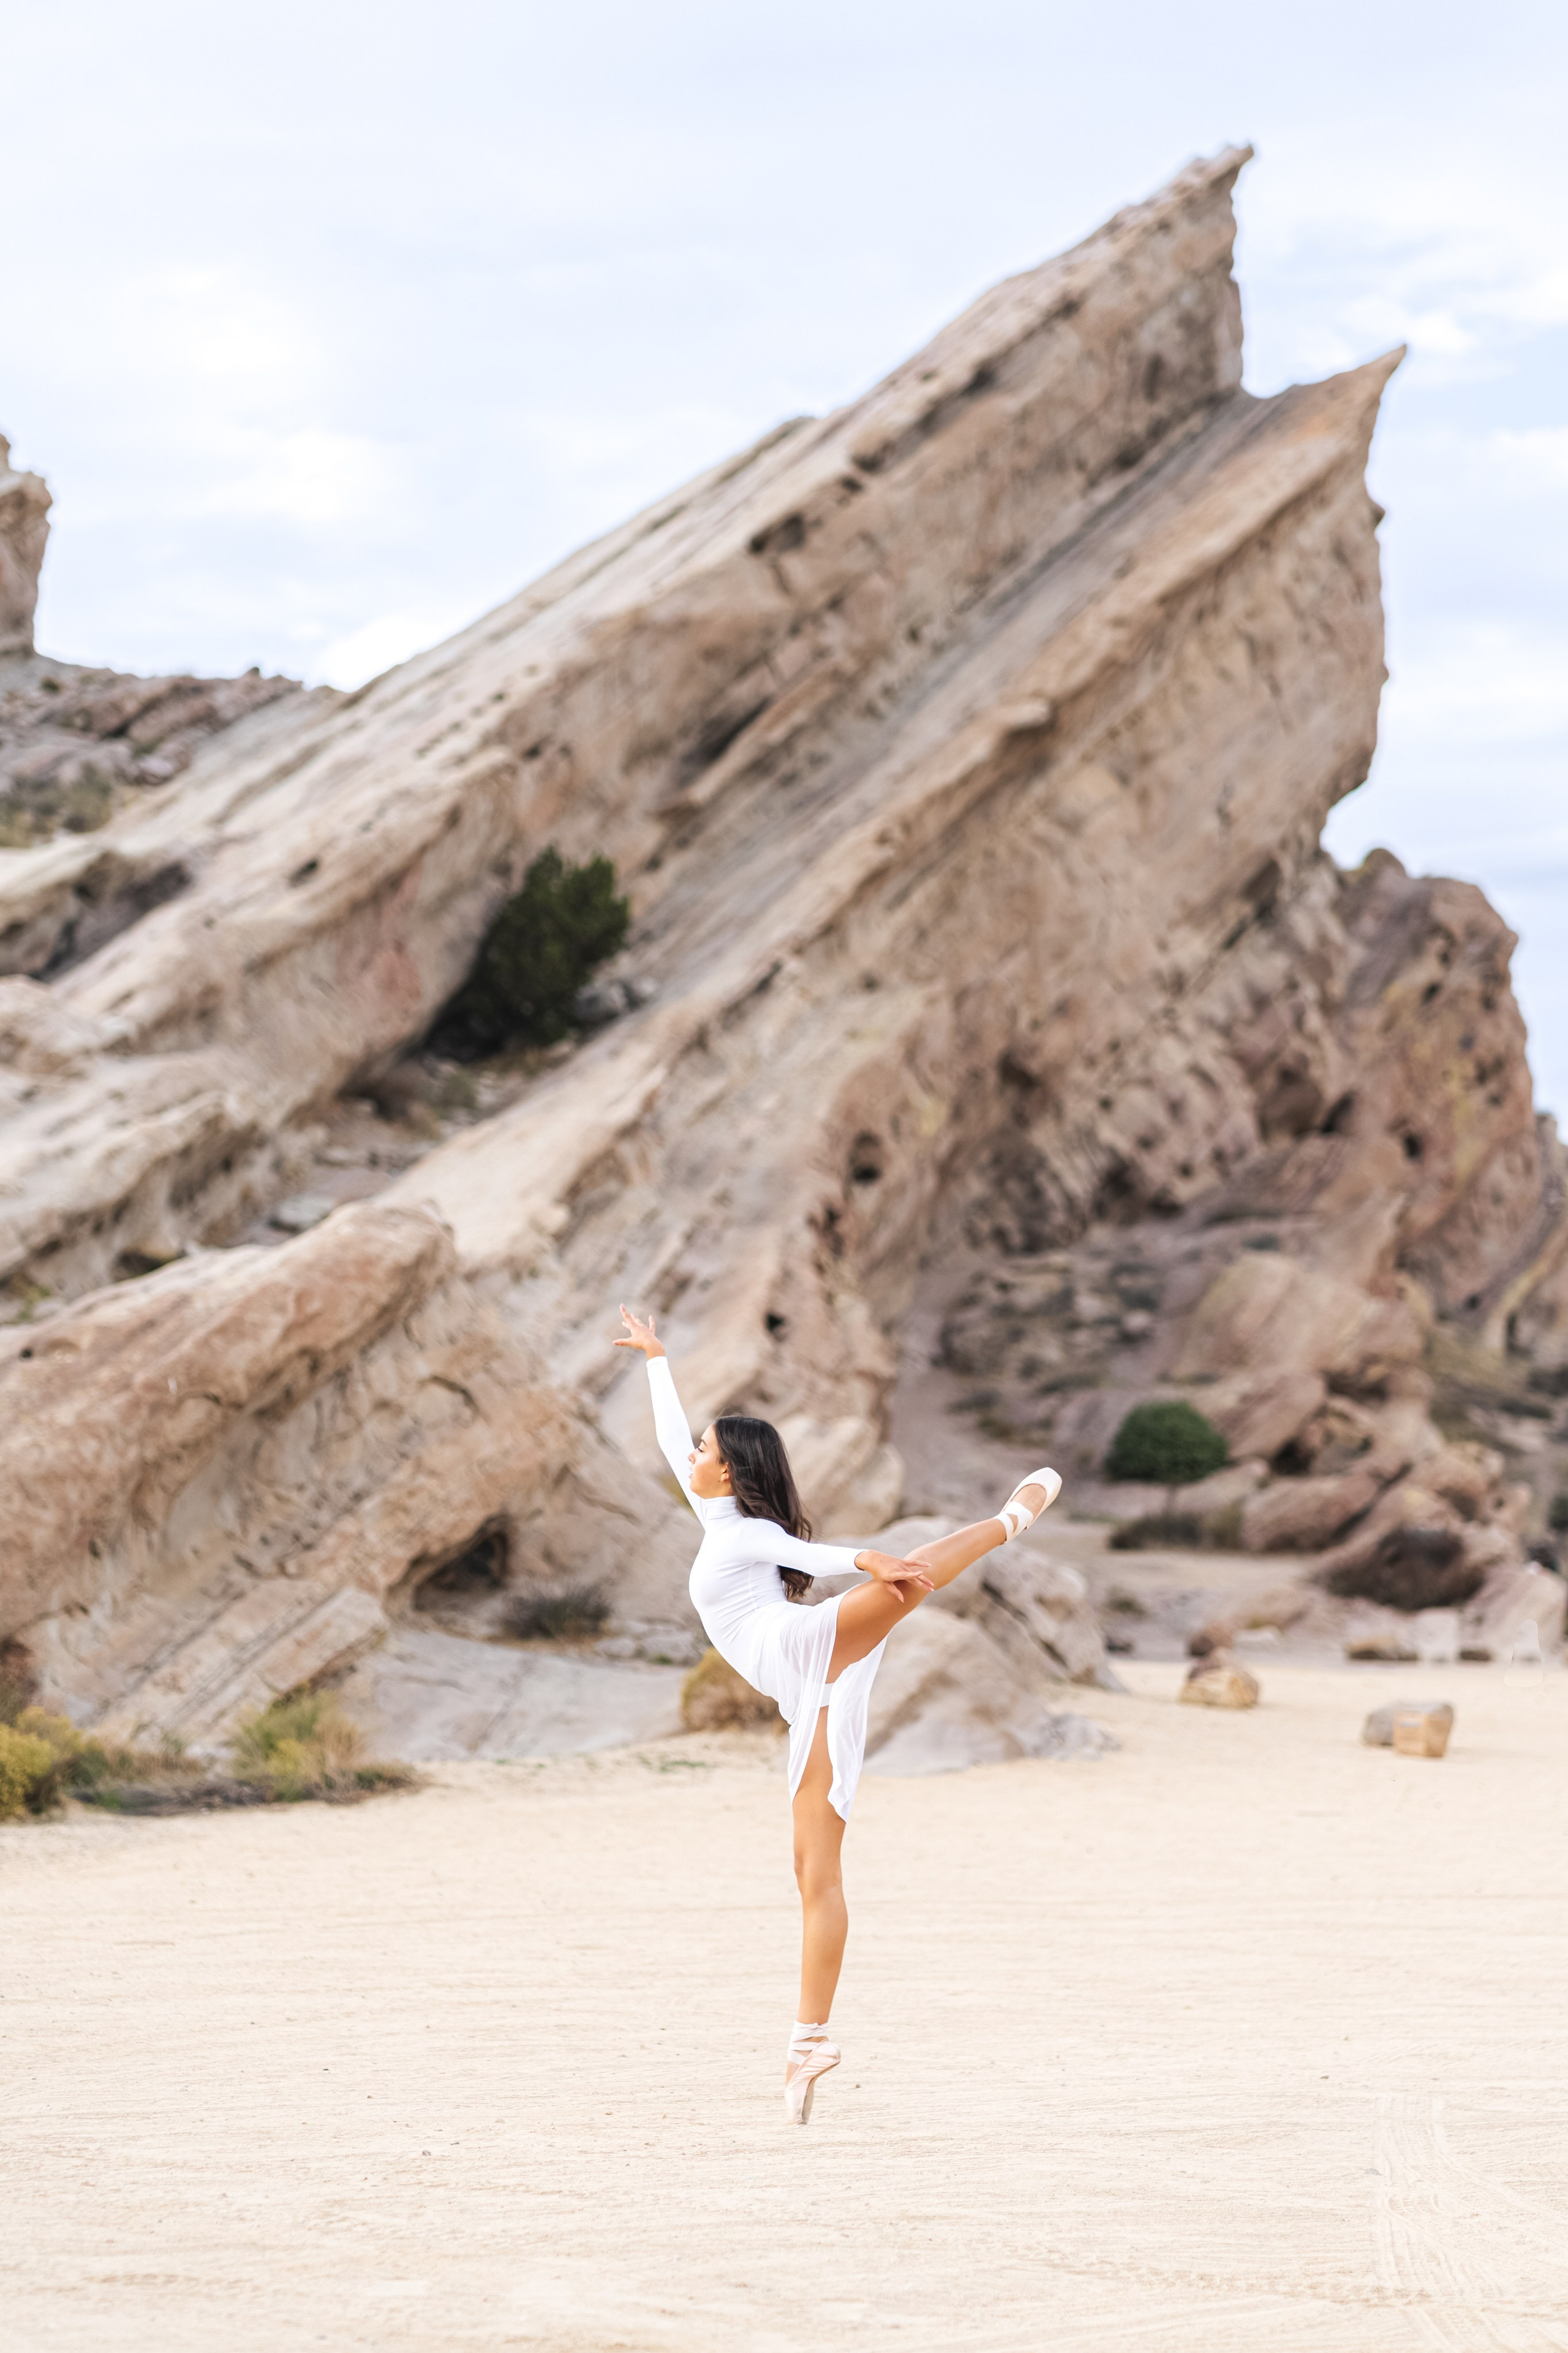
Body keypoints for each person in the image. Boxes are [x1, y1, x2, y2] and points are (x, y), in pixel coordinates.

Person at [614, 1303, 1061, 2123]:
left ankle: (1009, 1520)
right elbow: (668, 1431)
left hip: (807, 1640)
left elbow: (805, 1555)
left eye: (707, 1449)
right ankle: (808, 2041)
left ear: (732, 1471)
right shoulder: (713, 1509)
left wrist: (863, 1556)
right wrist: (657, 1358)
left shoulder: (746, 1530)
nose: (693, 1453)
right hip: (804, 1691)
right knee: (813, 1874)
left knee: (903, 1581)